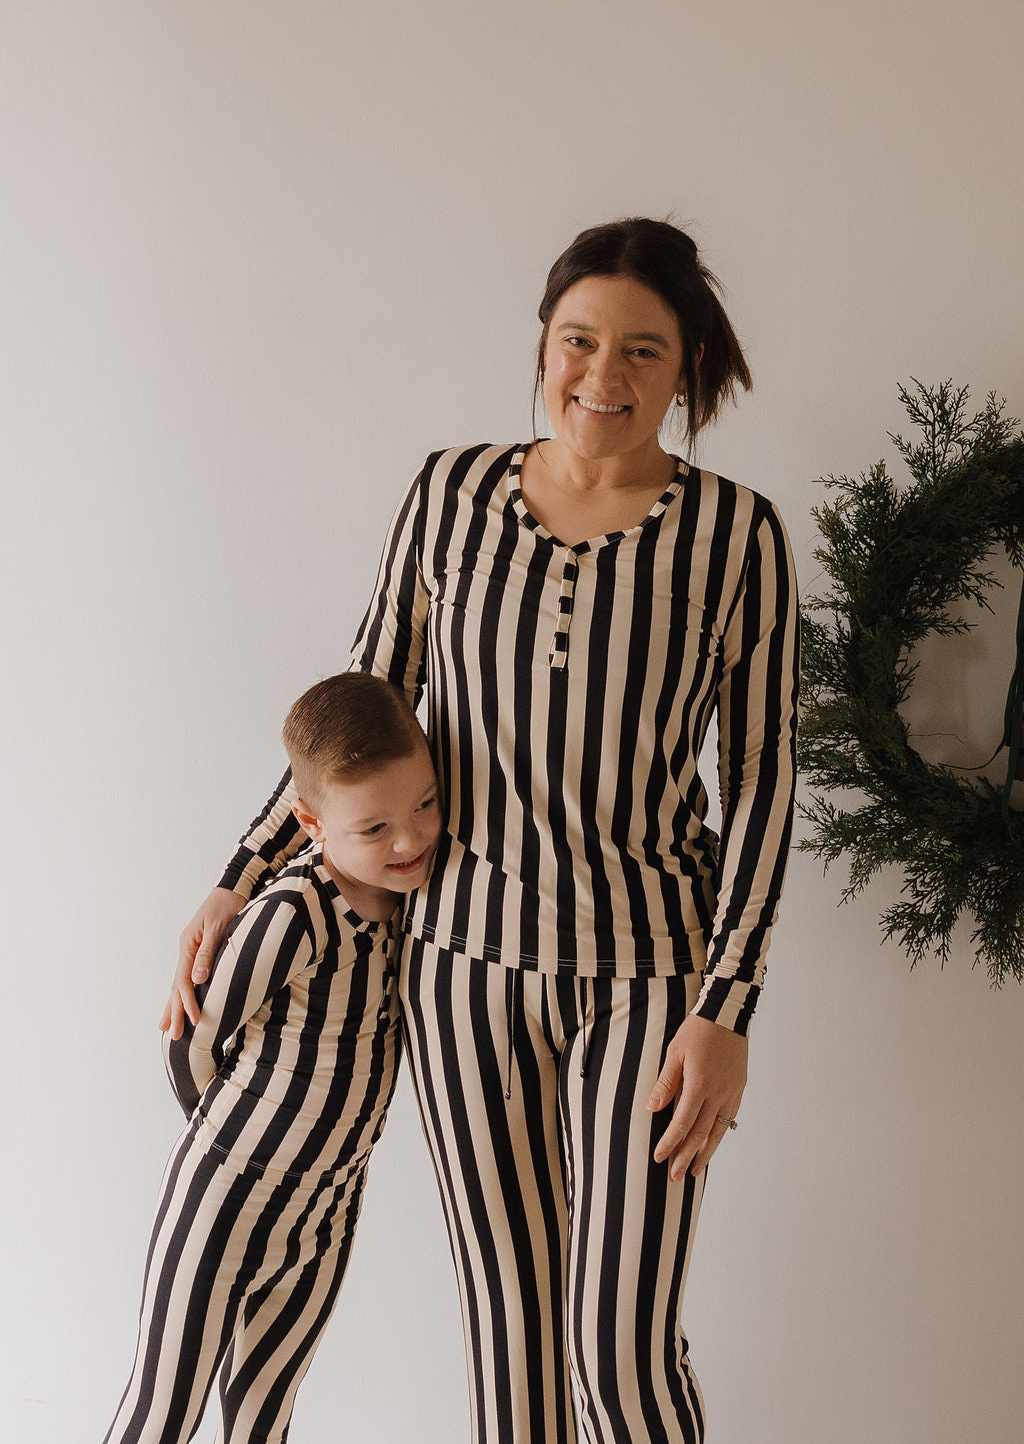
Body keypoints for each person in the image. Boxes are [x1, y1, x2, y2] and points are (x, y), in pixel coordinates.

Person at [166, 217, 800, 1444]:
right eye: (577, 340)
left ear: (688, 366)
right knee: (512, 1346)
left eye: (642, 350)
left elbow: (765, 781)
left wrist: (727, 1010)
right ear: (544, 343)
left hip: (651, 984)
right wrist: (242, 873)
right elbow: (361, 703)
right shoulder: (449, 494)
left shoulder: (739, 536)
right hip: (460, 970)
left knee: (619, 1356)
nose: (602, 377)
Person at [108, 672, 440, 1444]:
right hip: (225, 1196)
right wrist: (233, 1144)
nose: (410, 840)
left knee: (265, 1413)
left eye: (425, 804)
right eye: (375, 827)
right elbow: (190, 1040)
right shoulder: (294, 912)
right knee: (164, 1410)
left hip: (328, 1209)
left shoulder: (415, 904)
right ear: (312, 824)